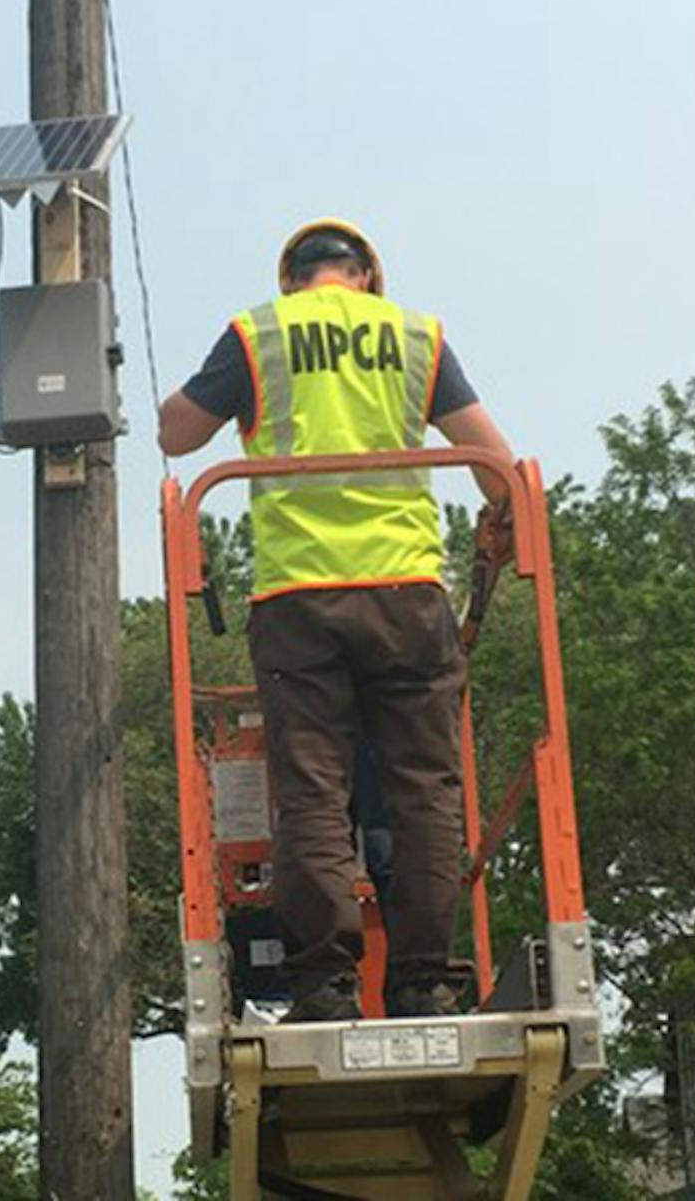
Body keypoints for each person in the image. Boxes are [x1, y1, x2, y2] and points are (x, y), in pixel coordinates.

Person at [158, 218, 514, 1023]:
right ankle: (424, 984)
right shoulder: (415, 336)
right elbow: (496, 466)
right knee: (425, 789)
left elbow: (176, 432)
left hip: (299, 598)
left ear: (293, 280)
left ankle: (325, 986)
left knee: (312, 793)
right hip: (407, 593)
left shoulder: (261, 333)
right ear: (367, 278)